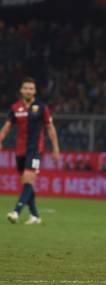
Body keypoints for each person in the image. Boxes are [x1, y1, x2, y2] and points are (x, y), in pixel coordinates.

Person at [0, 77, 60, 224]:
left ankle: (16, 211)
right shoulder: (15, 108)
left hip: (36, 151)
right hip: (20, 151)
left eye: (31, 88)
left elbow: (50, 128)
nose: (28, 90)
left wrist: (55, 147)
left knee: (28, 178)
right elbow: (7, 127)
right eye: (26, 88)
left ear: (35, 91)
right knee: (26, 181)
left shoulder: (41, 107)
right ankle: (35, 216)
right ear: (21, 90)